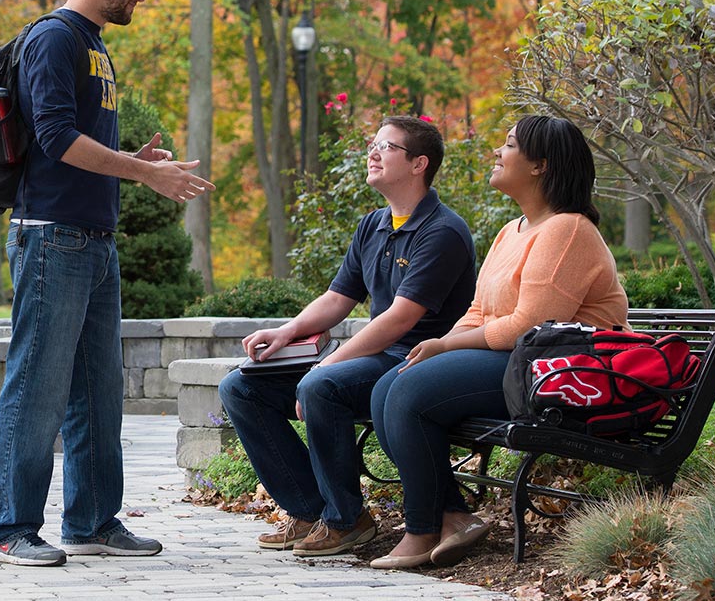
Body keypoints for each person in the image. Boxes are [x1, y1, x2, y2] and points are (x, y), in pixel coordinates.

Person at [0, 0, 213, 567]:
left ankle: (91, 520)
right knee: (37, 384)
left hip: (93, 240)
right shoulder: (54, 38)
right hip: (53, 239)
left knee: (97, 387)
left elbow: (74, 146)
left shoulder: (93, 46)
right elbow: (54, 138)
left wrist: (132, 160)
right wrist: (146, 173)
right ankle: (8, 528)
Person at [368, 115, 628, 569]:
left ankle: (422, 528)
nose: (497, 152)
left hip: (560, 373)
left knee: (408, 392)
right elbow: (479, 311)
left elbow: (532, 325)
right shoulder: (514, 230)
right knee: (390, 385)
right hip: (519, 364)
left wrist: (446, 348)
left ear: (540, 166)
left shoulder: (567, 230)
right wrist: (436, 345)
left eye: (508, 145)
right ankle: (451, 516)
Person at [217, 116, 477, 557]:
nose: (372, 153)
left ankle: (346, 521)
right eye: (373, 144)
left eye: (386, 147)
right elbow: (338, 299)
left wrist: (324, 365)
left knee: (322, 385)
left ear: (419, 164)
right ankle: (310, 511)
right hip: (379, 358)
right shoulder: (373, 224)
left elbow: (398, 320)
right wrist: (287, 331)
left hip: (416, 362)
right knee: (241, 386)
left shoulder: (442, 232)